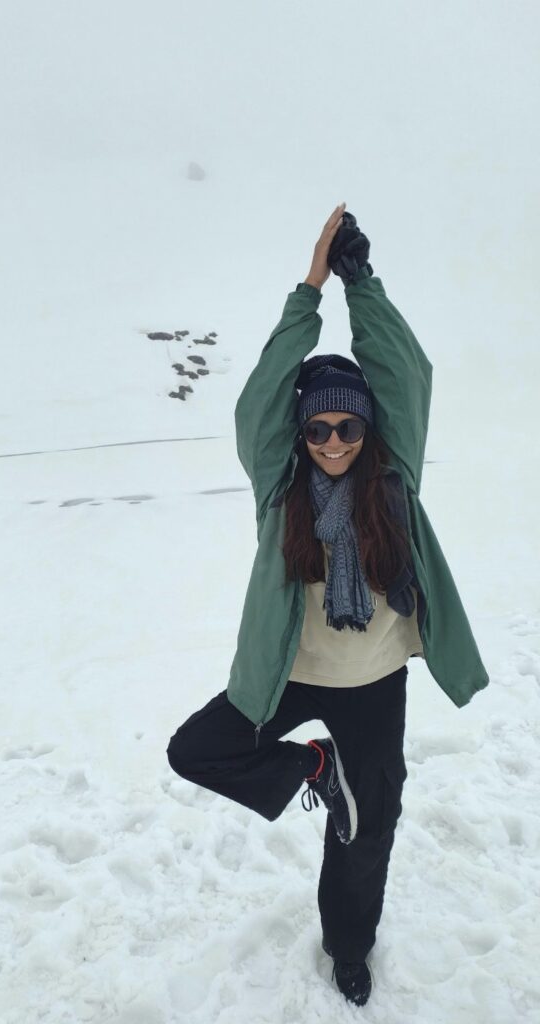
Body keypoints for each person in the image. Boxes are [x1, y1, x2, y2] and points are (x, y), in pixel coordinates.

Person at [166, 203, 489, 1007]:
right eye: (318, 430)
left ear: (369, 428)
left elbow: (406, 372)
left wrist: (362, 283)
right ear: (300, 435)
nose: (335, 441)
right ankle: (316, 767)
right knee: (195, 749)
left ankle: (350, 944)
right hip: (291, 676)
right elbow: (257, 405)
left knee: (368, 828)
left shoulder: (394, 479)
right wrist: (308, 291)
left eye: (349, 426)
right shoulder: (280, 490)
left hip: (374, 681)